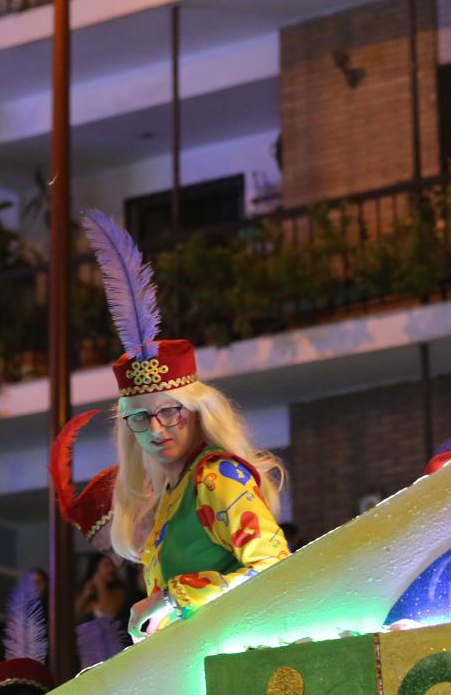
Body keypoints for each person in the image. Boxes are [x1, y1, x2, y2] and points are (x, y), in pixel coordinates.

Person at [81, 210, 290, 641]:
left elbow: (275, 569)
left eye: (169, 411)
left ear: (196, 411)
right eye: (140, 417)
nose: (157, 428)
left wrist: (172, 598)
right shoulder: (173, 496)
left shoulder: (217, 475)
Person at [74, 553, 131, 624]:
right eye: (106, 565)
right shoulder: (83, 588)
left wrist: (101, 585)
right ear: (95, 568)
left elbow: (108, 611)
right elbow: (73, 614)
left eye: (113, 564)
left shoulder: (119, 589)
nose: (112, 568)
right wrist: (85, 595)